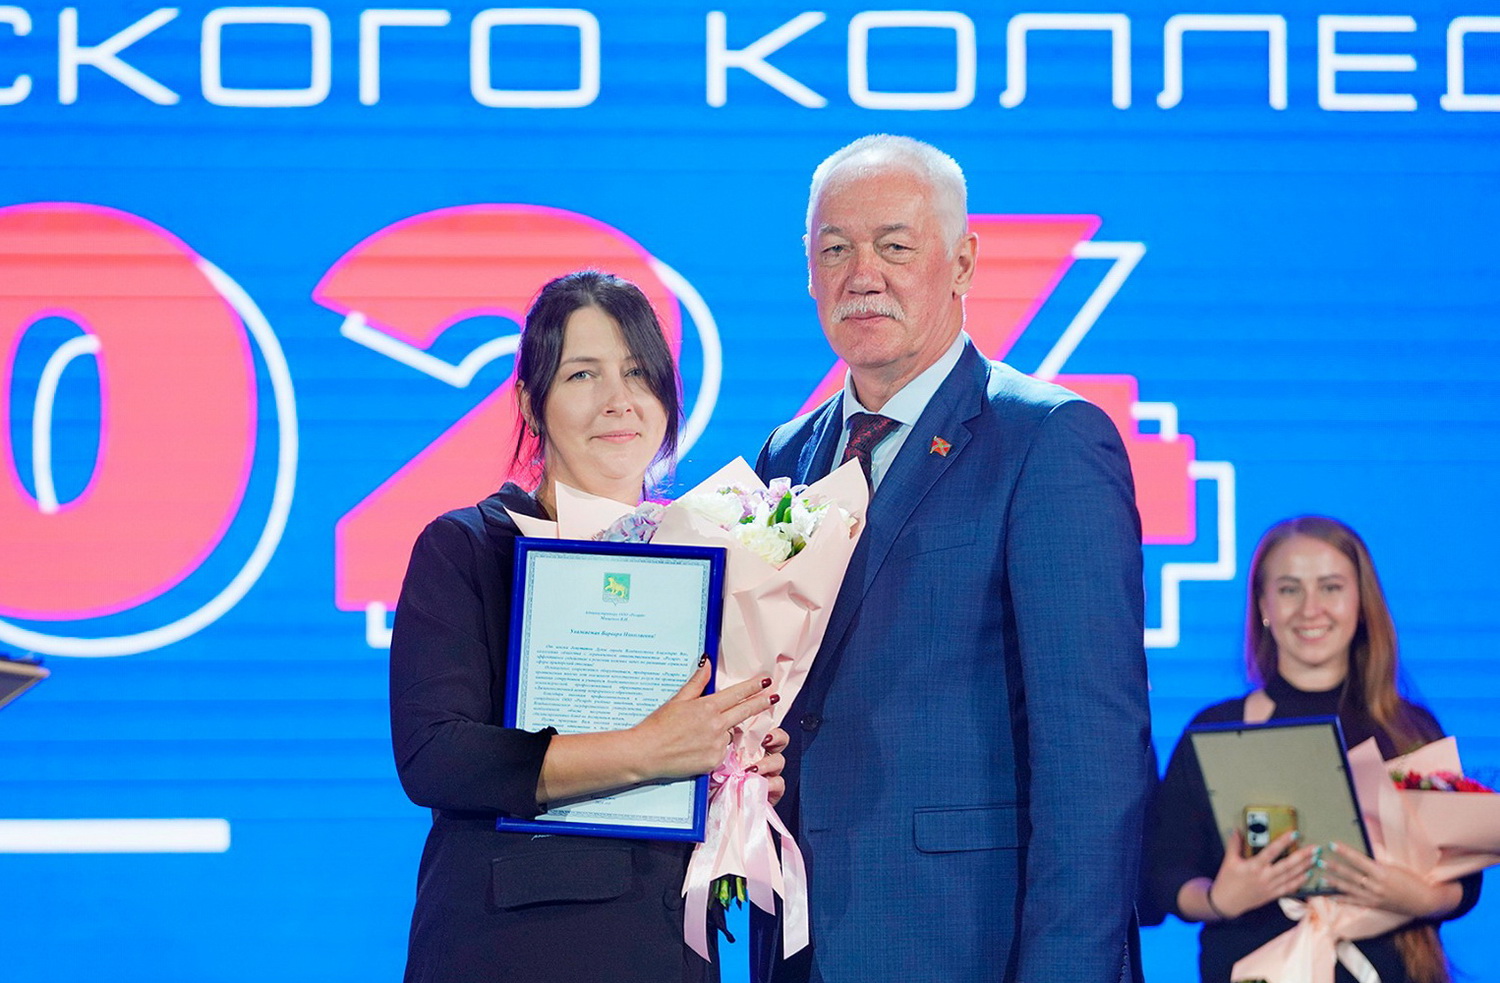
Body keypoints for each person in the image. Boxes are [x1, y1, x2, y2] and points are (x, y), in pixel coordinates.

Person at [751, 134, 1151, 982]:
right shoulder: (786, 456)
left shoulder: (1048, 439)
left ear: (963, 261)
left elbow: (1095, 763)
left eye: (895, 246)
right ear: (809, 270)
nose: (863, 274)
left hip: (970, 945)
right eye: (835, 249)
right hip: (801, 943)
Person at [390, 270, 787, 983]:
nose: (618, 400)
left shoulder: (712, 560)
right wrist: (646, 750)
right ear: (529, 401)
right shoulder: (468, 547)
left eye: (637, 372)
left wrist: (740, 769)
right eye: (582, 374)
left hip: (667, 939)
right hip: (514, 940)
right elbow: (435, 755)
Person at [1144, 515, 1482, 983]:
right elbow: (1164, 876)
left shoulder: (1410, 730)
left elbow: (1463, 877)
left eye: (1330, 587)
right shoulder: (1216, 730)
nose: (1310, 608)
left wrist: (1420, 898)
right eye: (1289, 589)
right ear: (1263, 605)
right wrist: (1220, 899)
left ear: (1361, 603)